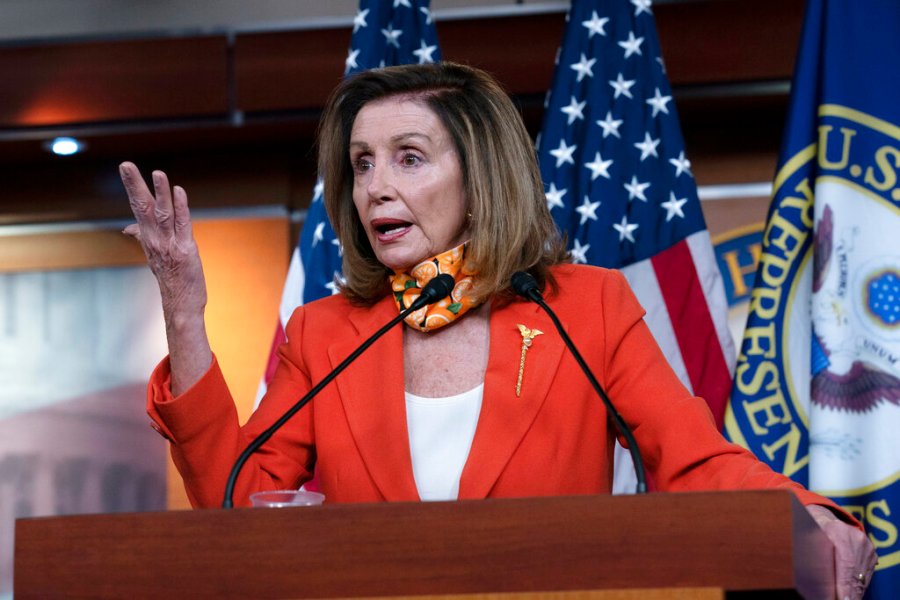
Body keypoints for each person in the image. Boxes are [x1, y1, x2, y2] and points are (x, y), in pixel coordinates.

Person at [119, 62, 876, 598]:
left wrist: (807, 513)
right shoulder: (326, 332)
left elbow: (695, 460)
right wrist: (184, 312)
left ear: (481, 179)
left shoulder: (585, 308)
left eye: (407, 158)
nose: (375, 186)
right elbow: (238, 505)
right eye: (361, 164)